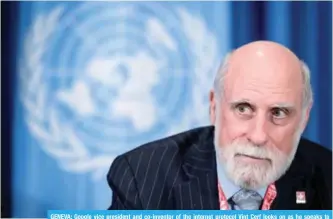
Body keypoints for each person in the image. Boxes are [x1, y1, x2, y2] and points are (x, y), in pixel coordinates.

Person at [106, 41, 332, 210]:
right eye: (243, 108)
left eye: (279, 113)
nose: (258, 136)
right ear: (214, 107)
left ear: (303, 119)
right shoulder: (143, 176)